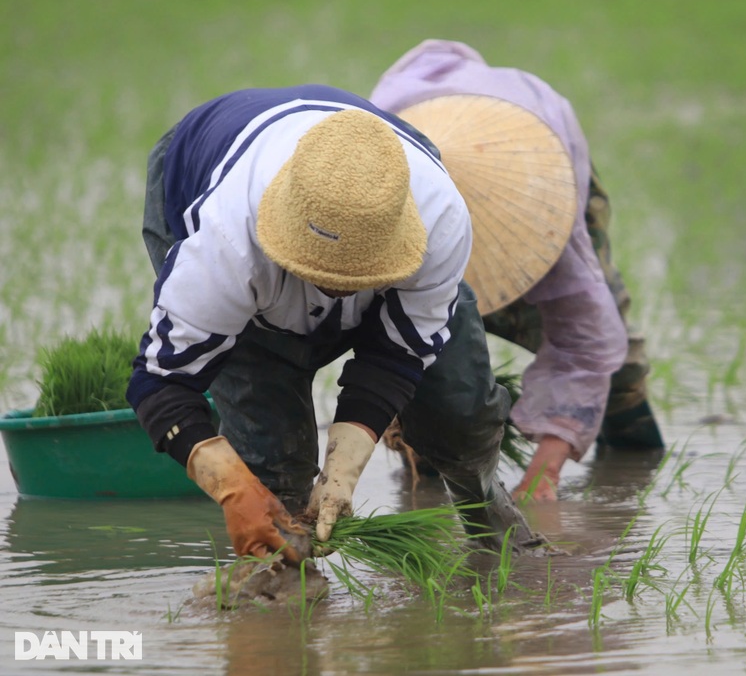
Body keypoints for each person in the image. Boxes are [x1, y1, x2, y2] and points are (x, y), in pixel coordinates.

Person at [126, 84, 542, 565]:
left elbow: (397, 354)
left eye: (357, 277)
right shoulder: (225, 243)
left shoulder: (438, 218)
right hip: (202, 165)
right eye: (320, 274)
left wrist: (341, 474)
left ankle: (492, 525)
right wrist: (235, 491)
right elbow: (161, 385)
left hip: (376, 190)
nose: (338, 290)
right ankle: (279, 585)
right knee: (270, 463)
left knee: (460, 408)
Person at [370, 40, 665, 503]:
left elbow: (586, 341)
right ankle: (427, 477)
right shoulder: (367, 181)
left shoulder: (547, 208)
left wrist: (543, 475)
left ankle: (633, 460)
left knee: (620, 365)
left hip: (537, 162)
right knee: (423, 349)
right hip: (412, 174)